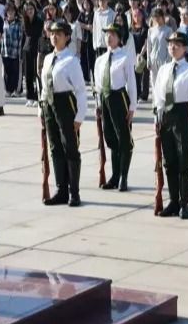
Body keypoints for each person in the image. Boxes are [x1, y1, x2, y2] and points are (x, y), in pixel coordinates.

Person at [153, 31, 188, 219]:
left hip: (184, 114)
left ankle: (184, 203)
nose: (173, 47)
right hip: (166, 116)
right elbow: (158, 97)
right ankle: (173, 201)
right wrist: (157, 119)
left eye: (177, 44)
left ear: (185, 48)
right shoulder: (163, 69)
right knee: (169, 161)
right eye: (170, 44)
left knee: (185, 160)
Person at [40, 20, 88, 207]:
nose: (54, 36)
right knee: (55, 148)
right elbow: (44, 86)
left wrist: (80, 116)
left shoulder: (71, 60)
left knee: (70, 148)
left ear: (67, 37)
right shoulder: (47, 59)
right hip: (49, 105)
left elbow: (81, 90)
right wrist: (41, 110)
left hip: (66, 104)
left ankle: (74, 192)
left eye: (58, 33)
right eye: (52, 33)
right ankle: (61, 190)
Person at [94, 23, 137, 191]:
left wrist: (132, 107)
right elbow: (97, 85)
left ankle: (123, 177)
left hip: (119, 98)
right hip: (105, 99)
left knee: (124, 139)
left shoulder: (125, 57)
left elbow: (131, 83)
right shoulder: (100, 60)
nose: (109, 37)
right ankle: (114, 175)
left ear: (119, 38)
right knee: (110, 138)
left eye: (112, 34)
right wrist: (98, 104)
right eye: (107, 34)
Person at [0, 3, 22, 98]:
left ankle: (15, 90)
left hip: (15, 51)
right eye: (9, 11)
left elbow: (20, 38)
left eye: (12, 11)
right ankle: (8, 90)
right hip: (5, 51)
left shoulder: (18, 24)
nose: (11, 13)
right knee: (6, 72)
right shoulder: (3, 23)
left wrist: (19, 52)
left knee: (15, 72)